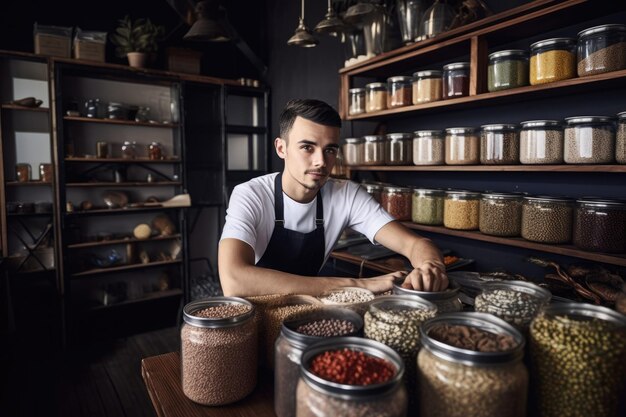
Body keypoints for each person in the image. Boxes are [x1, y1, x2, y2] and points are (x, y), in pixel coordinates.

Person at [218, 99, 448, 297]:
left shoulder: (345, 194)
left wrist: (431, 268)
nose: (321, 161)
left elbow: (415, 244)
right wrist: (356, 285)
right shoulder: (251, 194)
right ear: (281, 148)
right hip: (254, 316)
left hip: (308, 312)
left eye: (330, 150)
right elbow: (234, 280)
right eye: (307, 147)